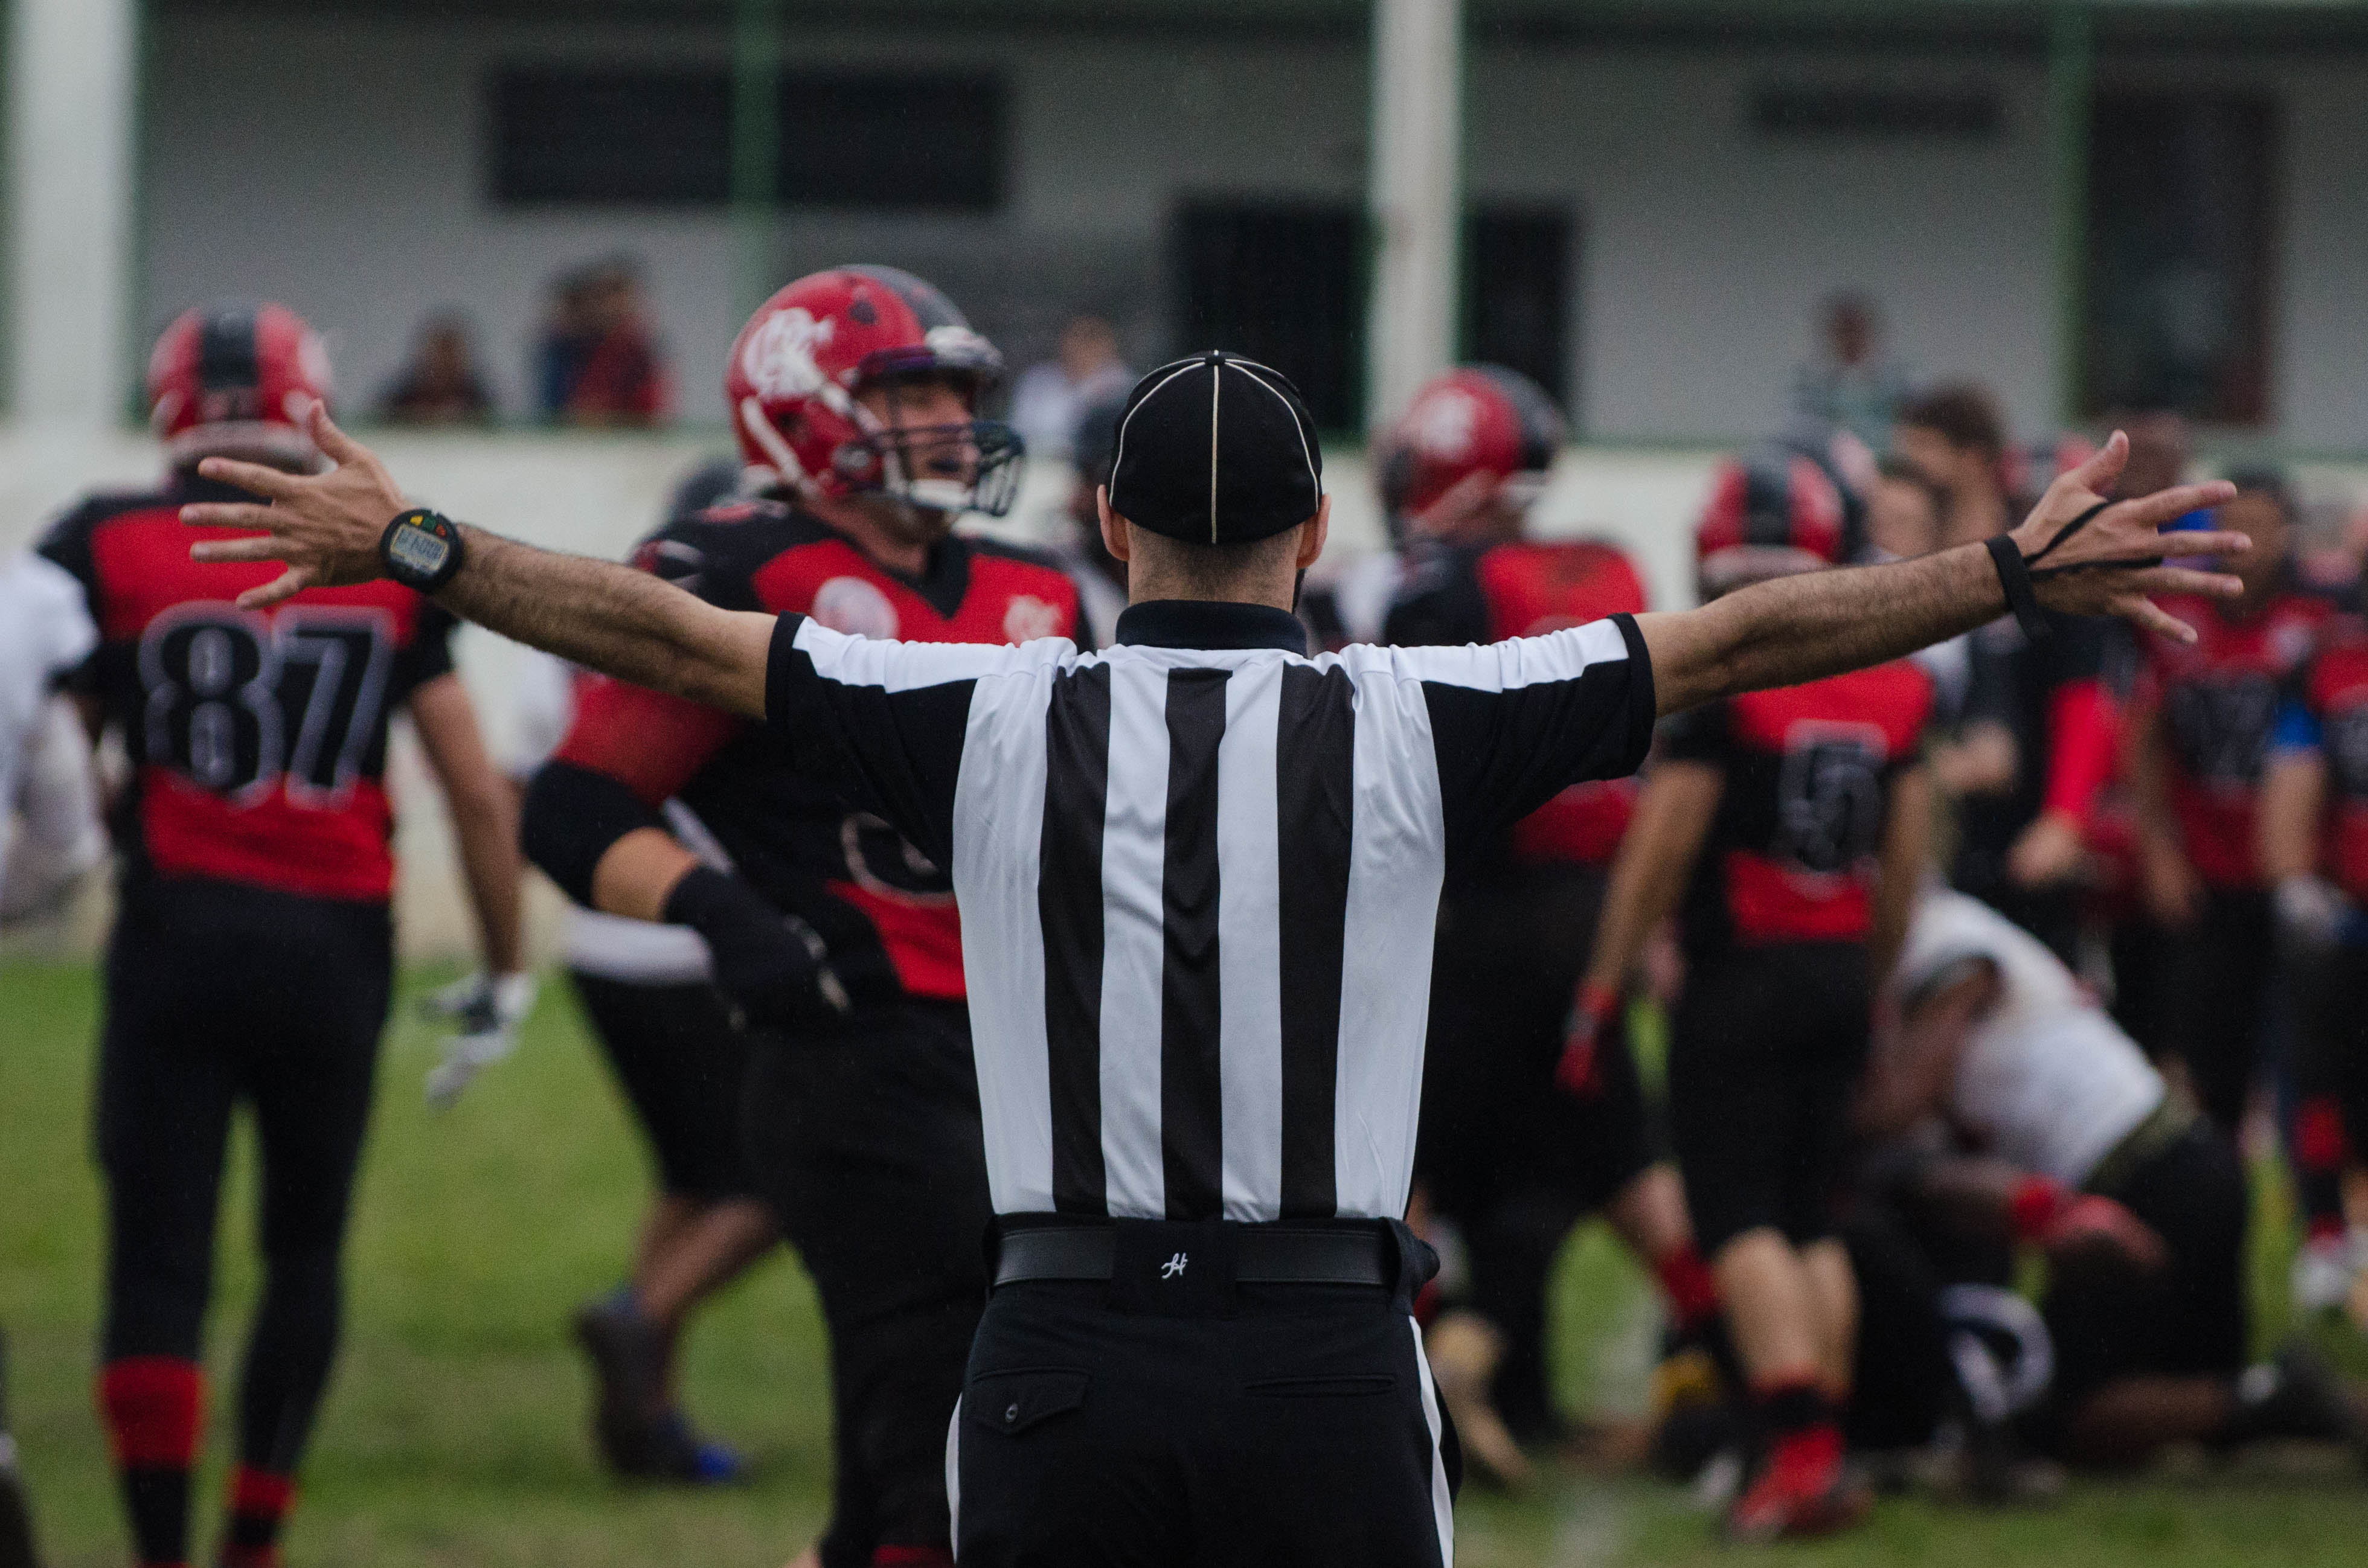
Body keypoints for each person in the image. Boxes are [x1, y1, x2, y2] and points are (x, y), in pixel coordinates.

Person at [185, 326, 2244, 1563]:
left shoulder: (990, 705)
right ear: (1312, 542)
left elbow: (672, 631)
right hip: (1326, 1354)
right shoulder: (1411, 713)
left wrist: (420, 545)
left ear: (1105, 536)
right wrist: (2000, 572)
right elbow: (1741, 634)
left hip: (1061, 1345)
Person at [523, 266, 1077, 1568]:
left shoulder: (1033, 584)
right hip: (860, 1049)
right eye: (910, 388)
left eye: (955, 389)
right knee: (943, 1464)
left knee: (942, 1454)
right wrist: (728, 915)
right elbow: (576, 805)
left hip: (1022, 1058)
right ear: (801, 410)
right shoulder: (736, 567)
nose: (947, 416)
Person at [36, 301, 529, 1568]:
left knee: (157, 1257)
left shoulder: (106, 538)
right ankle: (251, 1541)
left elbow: (49, 750)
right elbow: (476, 786)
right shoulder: (376, 549)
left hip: (176, 931)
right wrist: (507, 961)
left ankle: (157, 1548)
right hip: (333, 942)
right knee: (303, 1247)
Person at [1575, 446, 1936, 1538]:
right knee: (1810, 1218)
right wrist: (1872, 987)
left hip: (1743, 980)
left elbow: (1663, 843)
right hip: (1834, 970)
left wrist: (1600, 990)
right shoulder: (1899, 676)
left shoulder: (1731, 666)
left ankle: (1799, 1452)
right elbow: (1906, 862)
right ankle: (1816, 1440)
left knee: (1738, 1219)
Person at [1373, 367, 1717, 1485]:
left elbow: (1408, 768)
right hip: (1592, 914)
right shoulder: (1608, 562)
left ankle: (1427, 1370)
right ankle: (1746, 1374)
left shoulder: (1443, 586)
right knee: (1620, 1168)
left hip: (1473, 922)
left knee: (1412, 1170)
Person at [1862, 887, 2365, 1469]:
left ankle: (2281, 1399)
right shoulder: (1945, 934)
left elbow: (1904, 1102)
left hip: (2139, 1177)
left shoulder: (1943, 939)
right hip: (2182, 1156)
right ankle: (2278, 1397)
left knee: (2068, 1417)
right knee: (2206, 1397)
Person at [506, 634, 774, 1485]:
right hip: (700, 943)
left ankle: (648, 1419)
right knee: (776, 1185)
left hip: (600, 944)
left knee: (691, 1180)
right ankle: (641, 1316)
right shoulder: (741, 638)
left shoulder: (570, 640)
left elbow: (524, 788)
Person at [2125, 468, 2333, 1137]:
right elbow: (2144, 739)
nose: (2248, 541)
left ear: (2289, 532)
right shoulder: (2173, 614)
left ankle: (2321, 1210)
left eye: (2265, 525)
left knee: (2315, 1052)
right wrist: (2157, 848)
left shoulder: (2322, 618)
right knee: (2213, 1058)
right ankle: (2227, 1199)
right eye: (2234, 524)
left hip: (2305, 877)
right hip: (2207, 872)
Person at [1899, 385, 2123, 962]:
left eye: (1922, 449)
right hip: (1922, 840)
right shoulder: (1896, 564)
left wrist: (2065, 818)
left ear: (1972, 459)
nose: (1907, 467)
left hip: (2016, 845)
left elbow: (2084, 692)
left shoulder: (2037, 560)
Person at [2259, 564, 2368, 1319]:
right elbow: (2293, 777)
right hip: (2350, 908)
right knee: (2325, 1074)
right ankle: (2327, 1231)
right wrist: (2296, 878)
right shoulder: (2331, 662)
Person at [1790, 292, 1907, 453]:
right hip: (1831, 463)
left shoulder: (1894, 382)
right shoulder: (1813, 384)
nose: (1851, 339)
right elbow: (1806, 429)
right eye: (1845, 332)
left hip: (1886, 464)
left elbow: (1905, 430)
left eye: (1856, 332)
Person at [1007, 314, 1132, 460]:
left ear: (1110, 343)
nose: (1084, 346)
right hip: (1037, 467)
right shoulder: (1037, 381)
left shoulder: (1122, 387)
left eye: (1093, 337)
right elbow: (1018, 433)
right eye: (1078, 337)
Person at [377, 313, 496, 426]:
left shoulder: (477, 402)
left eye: (450, 357)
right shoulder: (402, 401)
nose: (443, 363)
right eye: (439, 355)